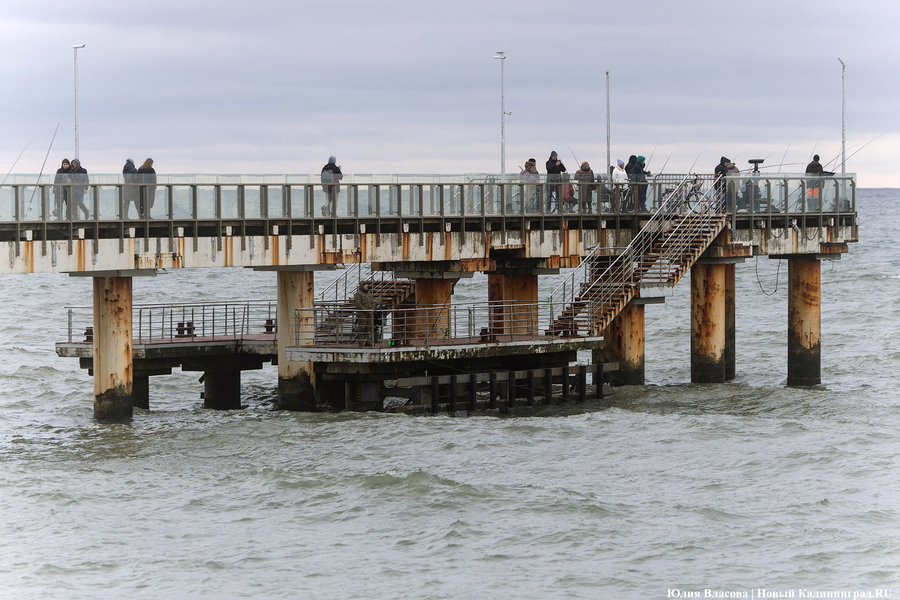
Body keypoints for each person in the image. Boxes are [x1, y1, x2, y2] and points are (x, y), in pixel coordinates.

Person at [354, 281, 376, 346]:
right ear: (362, 286)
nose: (366, 286)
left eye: (367, 285)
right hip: (362, 314)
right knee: (362, 327)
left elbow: (372, 302)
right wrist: (366, 310)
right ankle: (361, 341)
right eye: (365, 285)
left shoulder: (368, 293)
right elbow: (358, 304)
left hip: (370, 313)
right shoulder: (358, 294)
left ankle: (367, 340)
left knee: (369, 327)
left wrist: (372, 309)